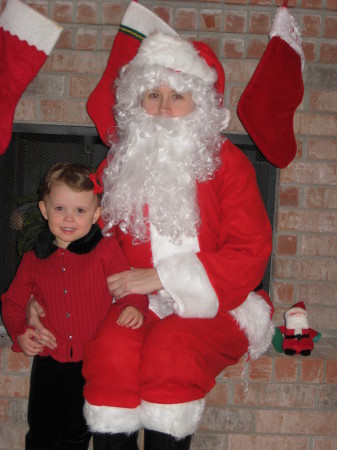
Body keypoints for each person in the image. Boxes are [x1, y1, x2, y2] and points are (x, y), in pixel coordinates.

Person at [27, 17, 275, 450]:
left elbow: (250, 251)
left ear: (197, 103)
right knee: (110, 353)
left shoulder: (228, 163)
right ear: (135, 102)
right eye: (152, 95)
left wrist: (163, 277)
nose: (162, 108)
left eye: (177, 96)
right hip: (136, 303)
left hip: (219, 303)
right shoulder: (121, 163)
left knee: (172, 350)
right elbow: (75, 233)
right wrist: (40, 296)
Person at [1, 162, 148, 450]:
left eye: (80, 211)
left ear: (95, 215)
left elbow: (128, 285)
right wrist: (19, 332)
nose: (69, 219)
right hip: (49, 363)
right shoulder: (33, 260)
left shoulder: (105, 250)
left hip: (91, 363)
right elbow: (12, 302)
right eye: (60, 209)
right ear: (44, 210)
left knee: (77, 434)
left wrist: (133, 305)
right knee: (42, 431)